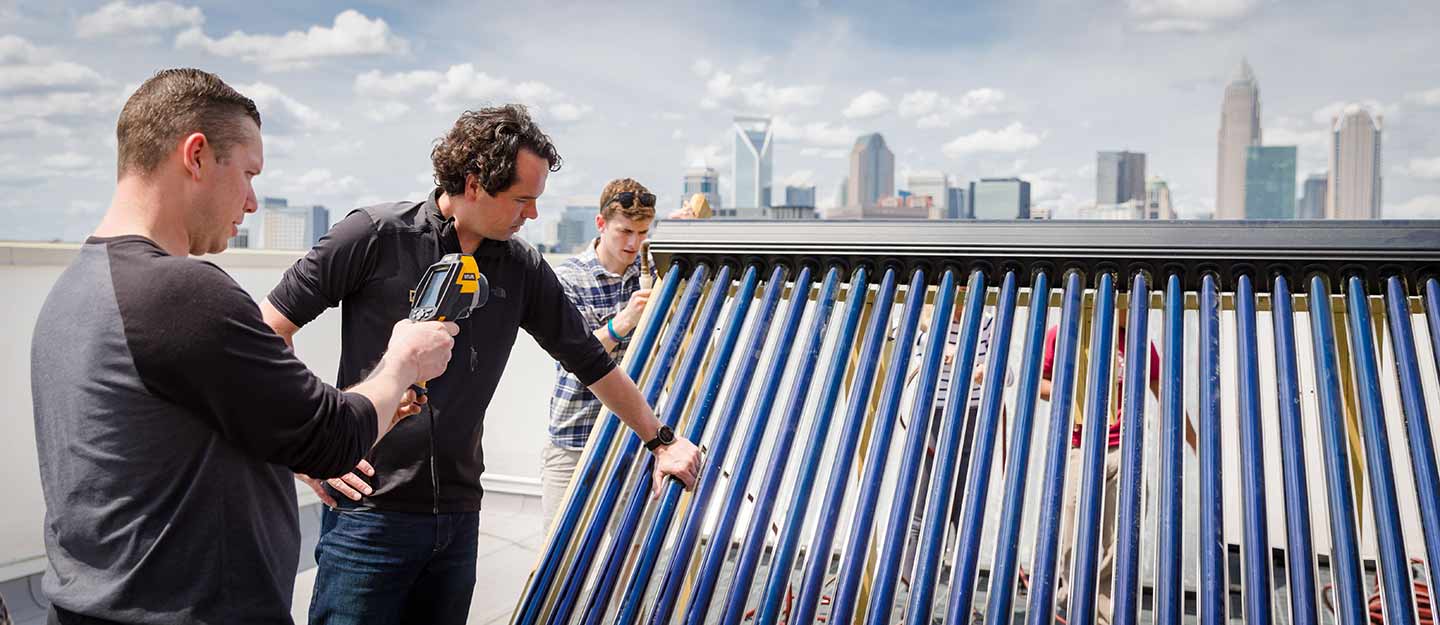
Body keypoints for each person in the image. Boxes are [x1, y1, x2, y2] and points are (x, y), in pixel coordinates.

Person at [30, 68, 458, 625]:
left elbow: (184, 437)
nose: (253, 202)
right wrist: (403, 361)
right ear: (198, 156)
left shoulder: (73, 289)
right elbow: (333, 438)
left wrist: (301, 432)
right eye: (249, 174)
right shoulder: (181, 290)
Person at [260, 105, 702, 625]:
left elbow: (590, 361)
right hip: (367, 518)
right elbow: (266, 331)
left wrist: (661, 440)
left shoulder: (521, 267)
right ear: (474, 183)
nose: (532, 216)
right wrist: (310, 446)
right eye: (522, 200)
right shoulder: (375, 235)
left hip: (459, 516)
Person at [1047, 319, 1197, 624]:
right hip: (1083, 447)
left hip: (1126, 451)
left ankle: (1102, 615)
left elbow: (1164, 391)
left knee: (1118, 541)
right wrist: (1077, 396)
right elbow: (1039, 381)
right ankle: (1067, 601)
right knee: (1073, 535)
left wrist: (1195, 441)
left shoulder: (1137, 340)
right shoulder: (1065, 332)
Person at [544, 178, 656, 525]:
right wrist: (623, 323)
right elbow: (570, 356)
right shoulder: (568, 278)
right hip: (576, 435)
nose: (634, 243)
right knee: (556, 550)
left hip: (634, 436)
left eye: (642, 233)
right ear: (601, 223)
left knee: (631, 551)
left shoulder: (650, 272)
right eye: (625, 231)